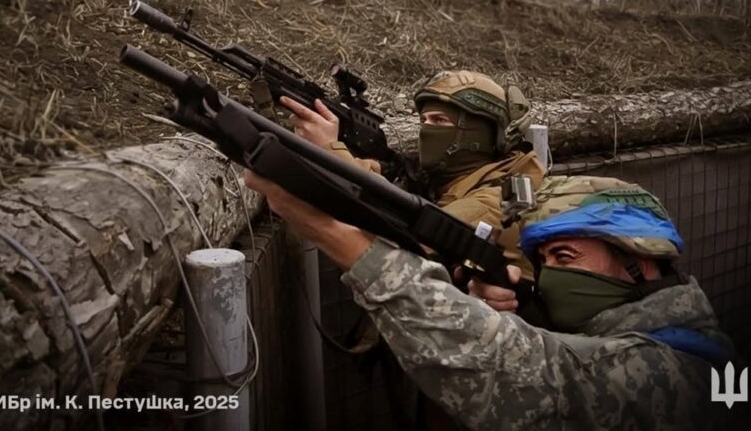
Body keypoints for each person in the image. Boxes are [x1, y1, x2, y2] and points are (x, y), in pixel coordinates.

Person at [243, 169, 739, 430]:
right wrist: (479, 302)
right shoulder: (653, 332)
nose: (549, 279)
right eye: (543, 263)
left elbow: (516, 369)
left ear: (641, 263)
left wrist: (337, 236)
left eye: (566, 256)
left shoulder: (678, 375)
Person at [281, 70, 545, 281]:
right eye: (424, 120)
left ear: (481, 135)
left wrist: (332, 151)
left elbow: (401, 240)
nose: (426, 130)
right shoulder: (446, 180)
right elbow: (389, 183)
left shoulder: (497, 201)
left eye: (440, 121)